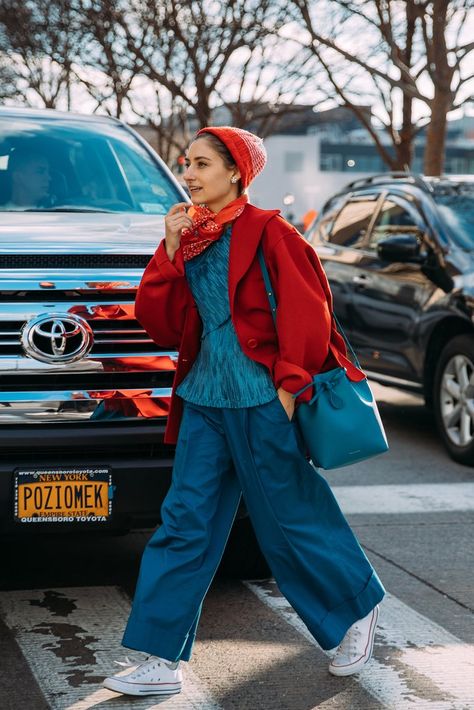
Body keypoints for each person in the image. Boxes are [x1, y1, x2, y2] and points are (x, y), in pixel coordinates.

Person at [103, 126, 385, 697]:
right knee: (185, 523)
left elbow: (310, 310)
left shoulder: (270, 232)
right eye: (187, 163)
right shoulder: (192, 235)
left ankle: (356, 610)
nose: (188, 174)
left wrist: (289, 385)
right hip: (204, 399)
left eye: (201, 164)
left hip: (263, 399)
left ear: (236, 172)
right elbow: (157, 321)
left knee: (288, 519)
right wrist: (169, 249)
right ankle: (160, 659)